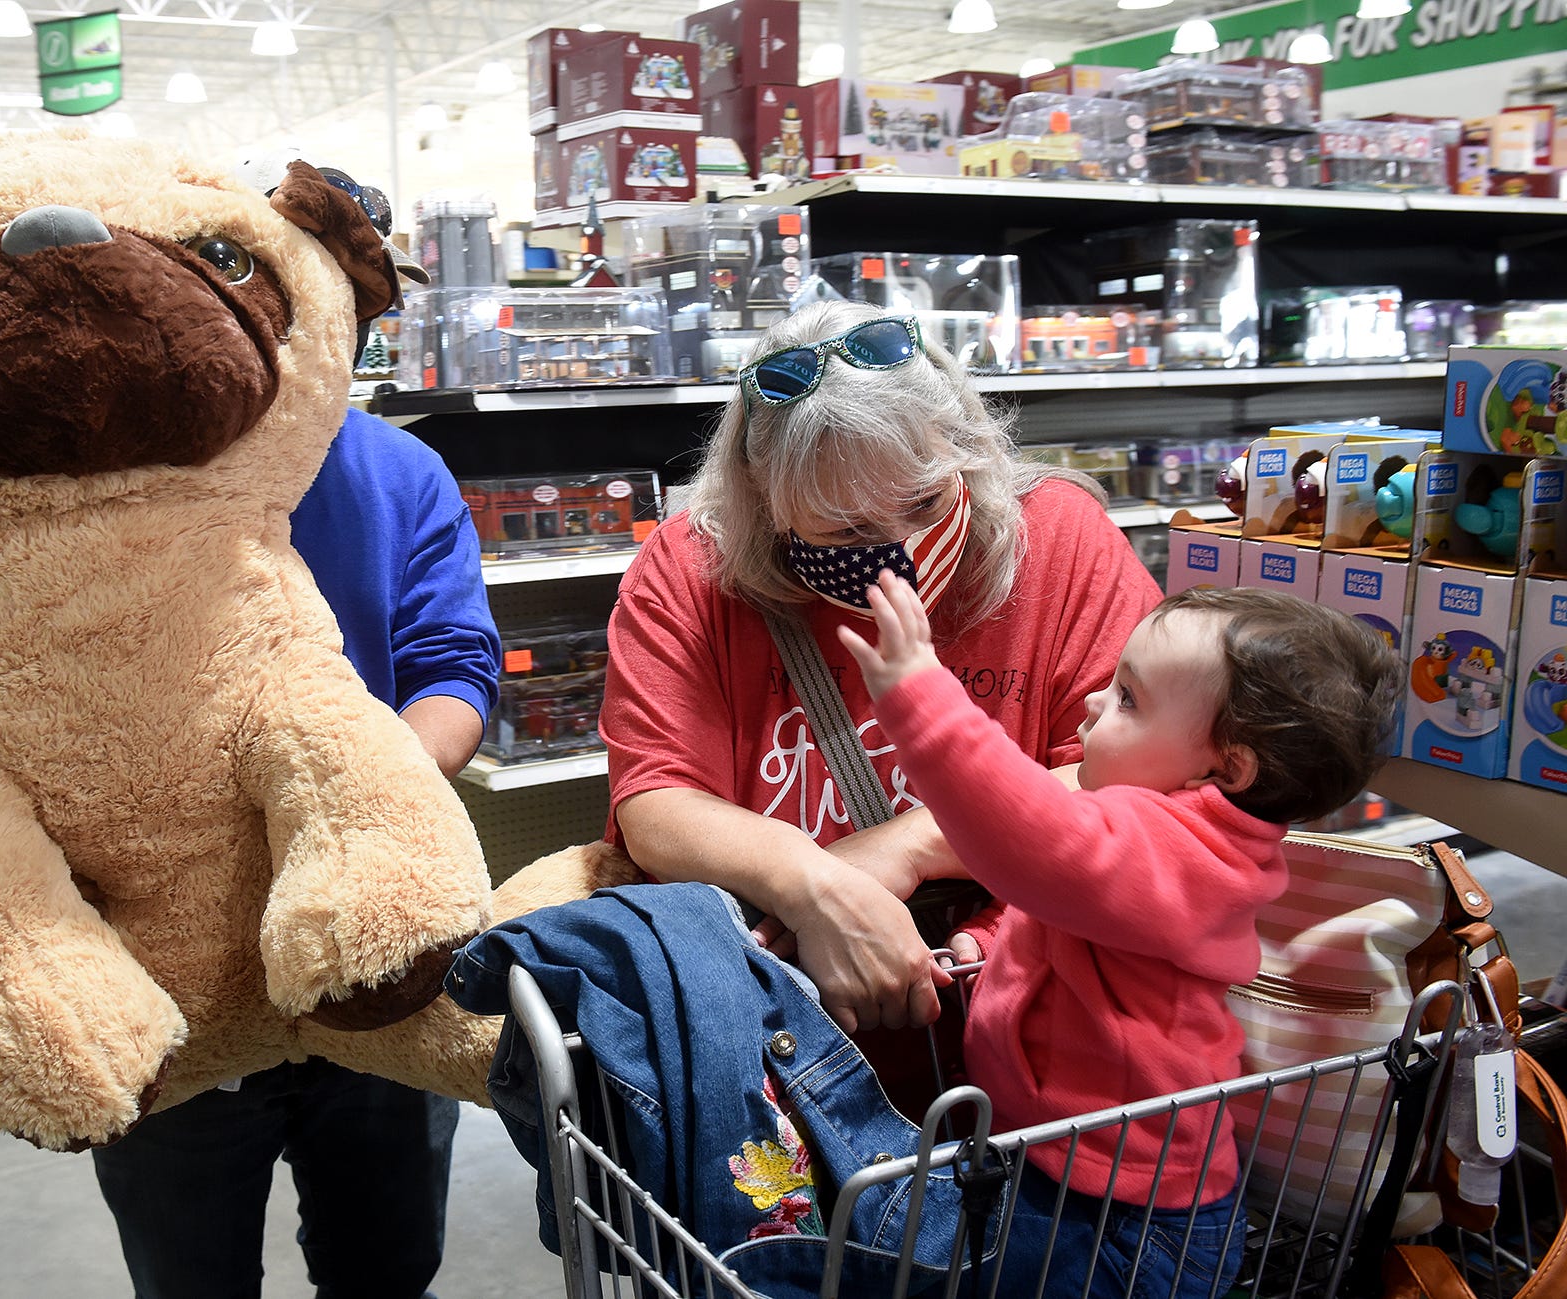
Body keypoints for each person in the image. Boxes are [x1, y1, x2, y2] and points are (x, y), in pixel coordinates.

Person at [90, 221, 500, 1298]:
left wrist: (356, 815)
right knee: (187, 1271)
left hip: (373, 952)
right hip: (176, 966)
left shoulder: (403, 471)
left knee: (388, 1260)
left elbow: (454, 665)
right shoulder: (126, 485)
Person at [599, 301, 1163, 1044]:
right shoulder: (690, 567)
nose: (900, 545)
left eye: (925, 499)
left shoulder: (1060, 539)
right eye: (847, 529)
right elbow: (657, 802)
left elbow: (1131, 778)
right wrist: (815, 887)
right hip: (779, 1024)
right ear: (765, 500)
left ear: (965, 444)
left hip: (1027, 1008)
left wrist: (907, 844)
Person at [839, 575, 1404, 1297]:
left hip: (1123, 1225)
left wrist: (923, 698)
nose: (1093, 702)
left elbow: (1040, 840)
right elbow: (1077, 905)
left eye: (1129, 697)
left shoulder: (1189, 855)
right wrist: (999, 939)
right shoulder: (1157, 838)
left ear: (1224, 767)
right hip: (1057, 1165)